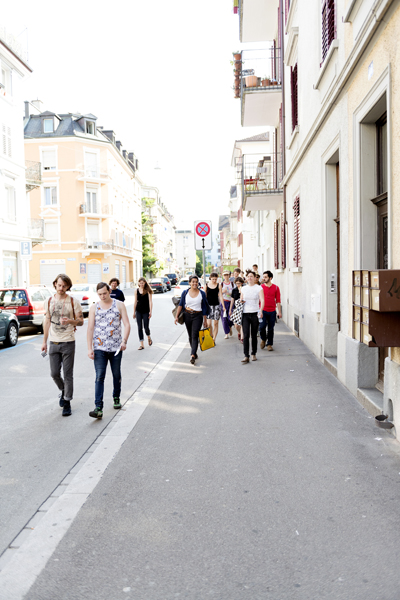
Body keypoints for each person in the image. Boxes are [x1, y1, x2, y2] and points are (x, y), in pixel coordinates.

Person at [41, 274, 84, 417]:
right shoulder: (48, 301)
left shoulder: (73, 302)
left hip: (68, 341)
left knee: (68, 374)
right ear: (55, 284)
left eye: (64, 286)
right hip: (53, 341)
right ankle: (64, 391)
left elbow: (81, 321)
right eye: (59, 285)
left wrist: (70, 321)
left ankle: (67, 402)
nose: (61, 288)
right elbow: (47, 322)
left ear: (68, 287)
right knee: (54, 373)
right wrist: (44, 342)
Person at [87, 282, 131, 419]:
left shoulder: (119, 305)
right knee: (99, 376)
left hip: (116, 347)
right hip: (99, 348)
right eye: (100, 294)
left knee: (116, 374)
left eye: (105, 293)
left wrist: (124, 341)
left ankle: (116, 397)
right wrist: (90, 348)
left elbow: (127, 324)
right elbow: (90, 329)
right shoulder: (94, 307)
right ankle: (98, 407)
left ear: (109, 291)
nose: (102, 296)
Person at [174, 275, 209, 365]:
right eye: (193, 282)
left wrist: (205, 320)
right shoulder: (185, 293)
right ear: (190, 283)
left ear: (198, 283)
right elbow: (181, 305)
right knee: (190, 335)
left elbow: (204, 307)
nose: (194, 283)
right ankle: (194, 351)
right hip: (187, 315)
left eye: (196, 282)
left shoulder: (202, 293)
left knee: (194, 335)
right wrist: (176, 316)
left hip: (198, 316)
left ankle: (192, 355)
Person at [240, 271, 264, 364]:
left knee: (254, 335)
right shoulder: (243, 288)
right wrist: (241, 300)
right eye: (248, 276)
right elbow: (241, 298)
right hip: (245, 313)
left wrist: (261, 310)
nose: (249, 278)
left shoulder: (258, 288)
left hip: (255, 313)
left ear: (255, 278)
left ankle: (253, 353)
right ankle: (246, 355)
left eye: (251, 276)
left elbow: (262, 300)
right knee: (246, 335)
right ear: (246, 278)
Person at [260, 270, 282, 351]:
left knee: (270, 328)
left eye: (265, 277)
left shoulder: (276, 288)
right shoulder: (261, 287)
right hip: (263, 310)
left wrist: (279, 312)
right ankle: (263, 339)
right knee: (262, 327)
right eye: (263, 277)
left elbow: (278, 300)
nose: (264, 278)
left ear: (270, 278)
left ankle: (269, 344)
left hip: (272, 311)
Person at [133, 276, 153, 350]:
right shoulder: (136, 291)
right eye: (140, 283)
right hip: (138, 311)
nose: (141, 284)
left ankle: (148, 337)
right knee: (139, 328)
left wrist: (150, 312)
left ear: (144, 283)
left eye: (142, 283)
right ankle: (142, 344)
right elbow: (135, 302)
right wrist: (134, 312)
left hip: (146, 311)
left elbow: (150, 302)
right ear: (138, 283)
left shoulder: (148, 291)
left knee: (146, 327)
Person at [205, 272, 221, 343]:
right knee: (208, 324)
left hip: (216, 306)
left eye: (215, 279)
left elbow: (220, 296)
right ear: (210, 278)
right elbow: (204, 296)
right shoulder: (206, 285)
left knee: (216, 323)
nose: (214, 280)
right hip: (208, 306)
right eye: (213, 279)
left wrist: (223, 306)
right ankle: (211, 335)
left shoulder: (218, 285)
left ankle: (214, 339)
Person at [229, 276, 244, 341]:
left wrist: (241, 293)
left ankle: (242, 338)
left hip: (243, 308)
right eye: (237, 283)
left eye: (239, 283)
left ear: (242, 283)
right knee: (236, 325)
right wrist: (230, 310)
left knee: (242, 324)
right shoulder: (234, 290)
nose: (238, 285)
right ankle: (239, 333)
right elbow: (232, 300)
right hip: (236, 309)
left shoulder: (244, 289)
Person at [220, 270, 234, 339]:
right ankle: (226, 333)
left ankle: (230, 327)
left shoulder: (232, 283)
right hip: (224, 302)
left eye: (227, 275)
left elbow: (235, 293)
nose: (226, 276)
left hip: (231, 302)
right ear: (223, 276)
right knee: (224, 318)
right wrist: (223, 291)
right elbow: (219, 294)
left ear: (229, 275)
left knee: (230, 317)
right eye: (225, 275)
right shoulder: (221, 284)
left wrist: (230, 294)